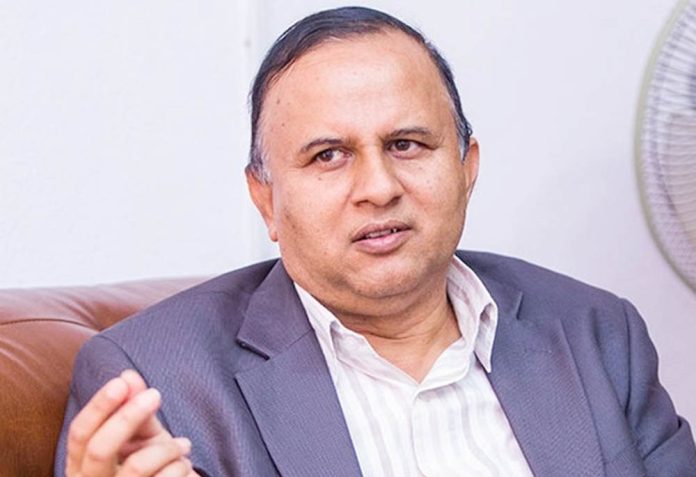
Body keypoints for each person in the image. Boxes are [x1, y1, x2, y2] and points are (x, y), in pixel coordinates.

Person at [55, 6, 696, 477]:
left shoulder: (597, 334)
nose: (379, 187)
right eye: (329, 155)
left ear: (467, 169)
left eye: (406, 144)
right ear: (266, 199)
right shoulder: (155, 381)